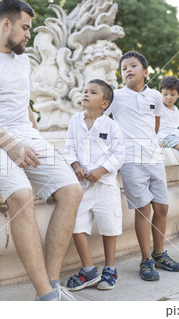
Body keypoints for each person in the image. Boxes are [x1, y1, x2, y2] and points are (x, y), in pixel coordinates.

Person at [0, 0, 83, 301]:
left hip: (26, 136)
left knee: (72, 191)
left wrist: (35, 138)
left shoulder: (23, 61)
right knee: (22, 195)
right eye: (25, 27)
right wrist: (11, 144)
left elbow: (22, 105)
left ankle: (53, 283)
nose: (29, 35)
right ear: (5, 24)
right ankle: (46, 297)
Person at [105, 51, 179, 282]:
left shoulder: (156, 98)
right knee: (144, 210)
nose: (128, 70)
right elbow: (99, 118)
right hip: (130, 161)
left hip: (154, 159)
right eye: (124, 68)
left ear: (145, 72)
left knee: (162, 208)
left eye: (133, 66)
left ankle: (159, 253)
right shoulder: (116, 97)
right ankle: (146, 259)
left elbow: (155, 125)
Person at [64, 79, 125, 291]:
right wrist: (75, 165)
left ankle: (110, 268)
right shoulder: (74, 121)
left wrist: (101, 170)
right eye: (85, 91)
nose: (85, 94)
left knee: (109, 227)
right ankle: (89, 270)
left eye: (92, 92)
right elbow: (69, 147)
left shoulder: (111, 126)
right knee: (77, 226)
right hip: (81, 187)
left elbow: (119, 154)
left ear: (104, 104)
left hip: (105, 187)